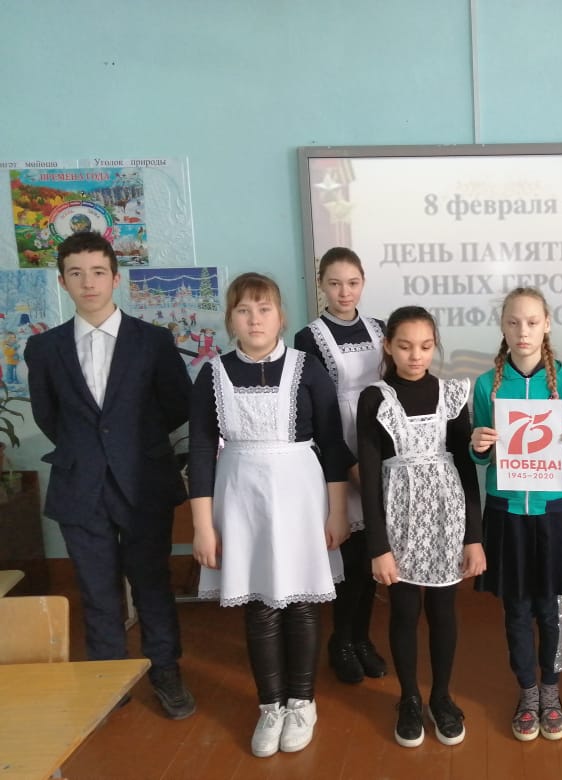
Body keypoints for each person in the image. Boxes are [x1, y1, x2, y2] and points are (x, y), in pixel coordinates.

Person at [24, 231, 195, 719]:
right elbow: (48, 416)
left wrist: (130, 444)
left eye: (98, 272)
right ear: (62, 282)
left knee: (152, 583)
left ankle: (165, 670)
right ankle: (106, 677)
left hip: (143, 481)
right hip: (81, 484)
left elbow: (177, 404)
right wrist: (92, 450)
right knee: (96, 588)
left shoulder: (153, 341)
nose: (89, 283)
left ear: (115, 279)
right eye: (76, 274)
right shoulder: (45, 348)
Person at [189, 272, 352, 757]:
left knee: (301, 603)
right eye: (244, 310)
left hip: (300, 496)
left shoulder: (307, 368)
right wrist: (203, 525)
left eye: (264, 310)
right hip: (240, 499)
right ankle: (270, 705)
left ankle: (302, 701)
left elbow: (334, 445)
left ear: (281, 317)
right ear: (230, 320)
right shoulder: (212, 374)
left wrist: (338, 512)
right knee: (259, 604)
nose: (255, 319)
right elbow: (201, 451)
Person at [357, 306, 484, 749]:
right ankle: (409, 697)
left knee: (444, 610)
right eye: (406, 346)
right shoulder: (374, 398)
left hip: (448, 518)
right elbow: (369, 477)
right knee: (405, 610)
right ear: (388, 346)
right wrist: (379, 547)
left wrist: (474, 537)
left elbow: (466, 467)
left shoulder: (451, 394)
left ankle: (442, 697)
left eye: (426, 346)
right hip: (400, 521)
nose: (416, 356)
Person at [471, 287, 562, 742]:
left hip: (551, 514)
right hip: (506, 515)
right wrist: (478, 444)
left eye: (532, 322)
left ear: (547, 325)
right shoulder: (488, 385)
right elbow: (479, 455)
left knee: (550, 610)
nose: (523, 331)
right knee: (516, 610)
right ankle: (527, 692)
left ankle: (551, 691)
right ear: (502, 327)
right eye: (514, 322)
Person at [294, 247, 388, 684]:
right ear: (321, 286)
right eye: (334, 283)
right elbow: (318, 411)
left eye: (352, 283)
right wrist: (349, 465)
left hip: (380, 446)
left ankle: (363, 638)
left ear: (363, 282)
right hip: (338, 452)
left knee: (374, 551)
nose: (344, 292)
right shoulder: (308, 337)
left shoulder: (380, 329)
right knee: (348, 554)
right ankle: (341, 641)